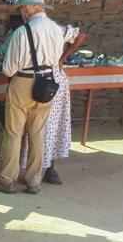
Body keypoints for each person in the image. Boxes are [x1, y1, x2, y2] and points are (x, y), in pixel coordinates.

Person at [0, 0, 65, 195]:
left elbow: (9, 69)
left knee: (13, 133)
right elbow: (56, 59)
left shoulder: (22, 32)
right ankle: (34, 181)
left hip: (23, 83)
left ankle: (7, 180)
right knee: (37, 134)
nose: (21, 12)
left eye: (21, 8)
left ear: (28, 8)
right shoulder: (56, 30)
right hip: (46, 83)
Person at [20, 25, 87, 185]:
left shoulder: (54, 29)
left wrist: (62, 57)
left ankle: (49, 169)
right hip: (41, 81)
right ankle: (36, 170)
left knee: (50, 126)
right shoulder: (26, 31)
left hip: (50, 83)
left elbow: (81, 35)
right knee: (38, 126)